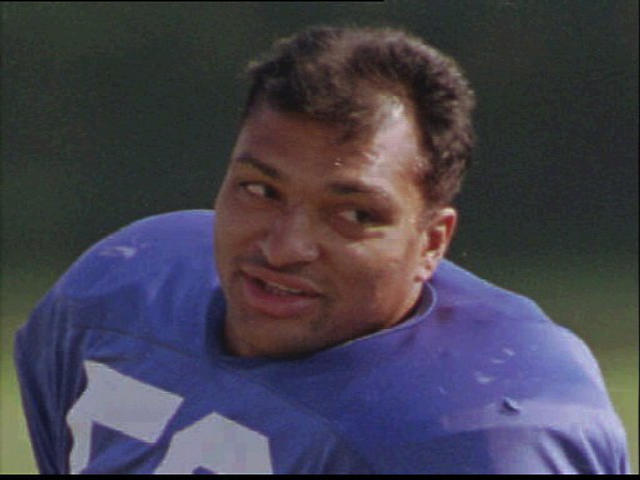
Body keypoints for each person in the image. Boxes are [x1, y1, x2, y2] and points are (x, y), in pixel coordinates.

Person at [14, 25, 629, 474]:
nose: (284, 248)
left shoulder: (484, 432)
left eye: (354, 215)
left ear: (431, 242)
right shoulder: (119, 295)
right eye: (260, 190)